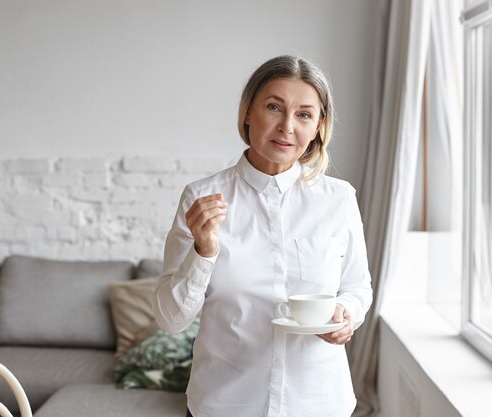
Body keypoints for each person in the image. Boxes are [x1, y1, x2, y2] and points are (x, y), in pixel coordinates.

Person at [153, 55, 373, 417]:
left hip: (318, 403)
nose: (287, 126)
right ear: (248, 113)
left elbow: (357, 287)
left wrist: (346, 314)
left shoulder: (339, 199)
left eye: (304, 114)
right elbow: (171, 319)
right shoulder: (202, 199)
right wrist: (203, 252)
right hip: (224, 405)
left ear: (319, 125)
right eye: (274, 107)